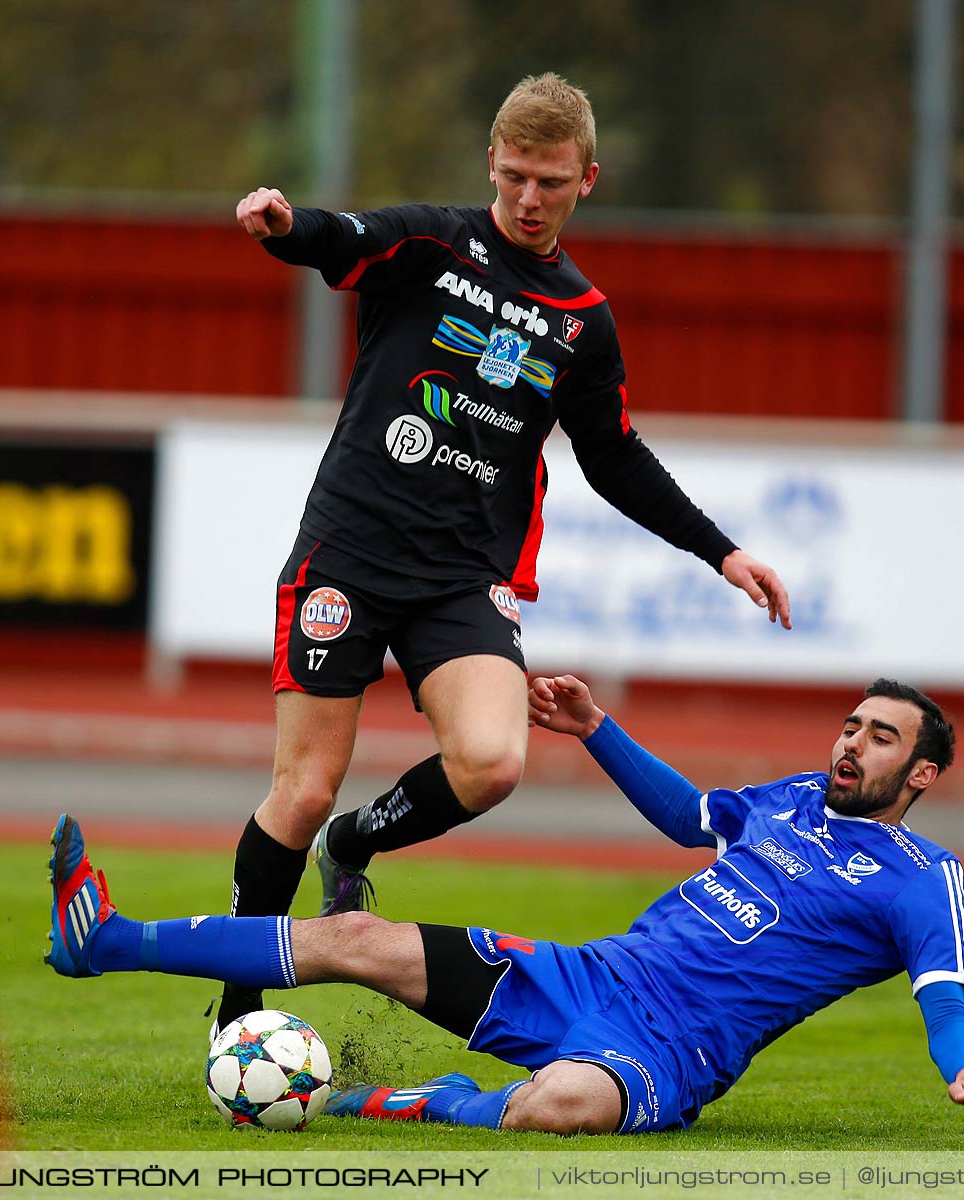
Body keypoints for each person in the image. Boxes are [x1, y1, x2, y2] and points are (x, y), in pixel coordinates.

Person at [217, 72, 791, 1030]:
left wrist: (721, 553)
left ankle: (356, 846)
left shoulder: (582, 317)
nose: (531, 199)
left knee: (491, 762)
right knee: (303, 786)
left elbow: (613, 457)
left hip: (460, 578)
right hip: (346, 559)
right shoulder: (429, 243)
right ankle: (240, 1009)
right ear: (492, 161)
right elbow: (337, 238)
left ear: (587, 181)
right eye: (517, 176)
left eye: (552, 184)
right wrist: (282, 224)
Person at [46, 675, 964, 1136]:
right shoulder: (795, 797)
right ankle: (106, 938)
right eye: (850, 724)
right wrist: (596, 729)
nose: (852, 743)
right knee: (354, 935)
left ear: (922, 770)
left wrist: (963, 1076)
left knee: (562, 1106)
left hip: (671, 1052)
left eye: (881, 737)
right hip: (593, 974)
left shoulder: (920, 877)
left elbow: (941, 998)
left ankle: (423, 1103)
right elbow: (690, 816)